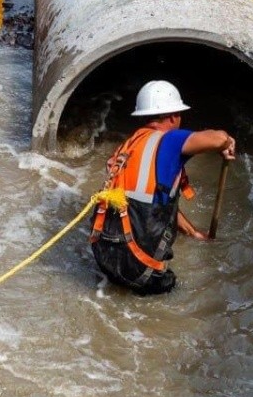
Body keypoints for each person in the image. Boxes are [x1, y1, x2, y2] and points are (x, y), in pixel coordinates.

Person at [90, 80, 235, 295]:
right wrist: (228, 142)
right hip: (140, 269)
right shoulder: (171, 140)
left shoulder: (126, 147)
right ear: (173, 116)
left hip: (104, 257)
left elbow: (151, 202)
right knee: (181, 296)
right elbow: (218, 138)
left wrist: (193, 233)